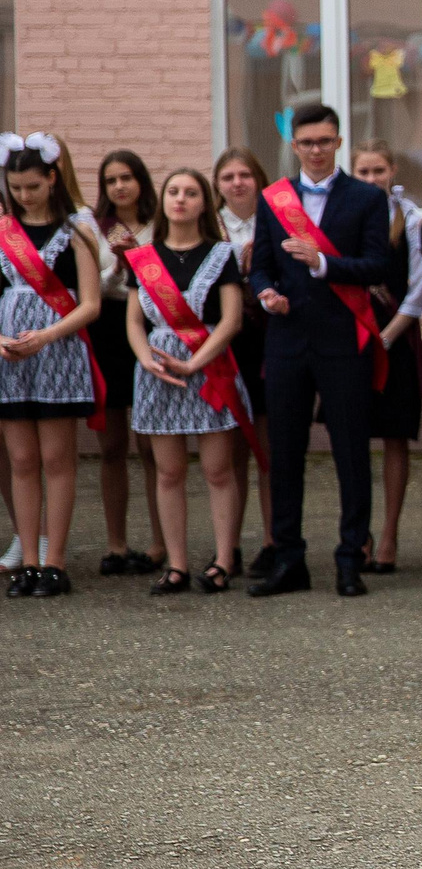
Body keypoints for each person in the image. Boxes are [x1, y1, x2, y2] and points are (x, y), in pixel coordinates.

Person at [248, 103, 393, 600]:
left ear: (338, 142)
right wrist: (266, 294)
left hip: (340, 339)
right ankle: (288, 558)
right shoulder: (274, 200)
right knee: (284, 453)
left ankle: (351, 558)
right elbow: (261, 267)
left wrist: (324, 264)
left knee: (351, 452)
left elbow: (377, 266)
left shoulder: (367, 199)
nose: (315, 149)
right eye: (307, 142)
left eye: (325, 141)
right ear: (294, 146)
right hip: (288, 339)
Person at [126, 167, 251, 595]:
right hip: (159, 373)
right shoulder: (143, 258)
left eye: (192, 192)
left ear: (204, 203)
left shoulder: (222, 254)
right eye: (173, 191)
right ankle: (177, 565)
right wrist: (148, 361)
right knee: (168, 472)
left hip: (209, 369)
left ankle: (222, 560)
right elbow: (133, 322)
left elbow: (231, 320)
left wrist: (194, 363)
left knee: (218, 470)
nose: (181, 199)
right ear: (162, 201)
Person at [0, 133, 101, 599]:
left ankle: (54, 561)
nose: (23, 195)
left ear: (52, 179)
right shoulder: (2, 230)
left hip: (58, 352)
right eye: (16, 187)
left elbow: (91, 304)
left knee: (57, 459)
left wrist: (46, 335)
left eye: (32, 187)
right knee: (21, 459)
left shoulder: (76, 229)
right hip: (9, 357)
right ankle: (30, 561)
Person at [350, 141, 422, 575]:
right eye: (362, 172)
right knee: (354, 438)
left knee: (395, 437)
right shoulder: (343, 216)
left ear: (392, 170)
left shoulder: (412, 221)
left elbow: (419, 286)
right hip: (352, 339)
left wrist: (388, 335)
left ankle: (389, 536)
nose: (370, 180)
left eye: (378, 171)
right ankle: (357, 533)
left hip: (395, 338)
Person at [92, 149, 172, 580]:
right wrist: (118, 265)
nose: (119, 186)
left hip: (145, 329)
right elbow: (91, 285)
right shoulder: (95, 228)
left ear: (141, 180)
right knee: (111, 447)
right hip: (105, 330)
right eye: (110, 180)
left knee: (150, 446)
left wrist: (139, 258)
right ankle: (116, 543)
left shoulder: (160, 225)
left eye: (126, 177)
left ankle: (160, 543)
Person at [214, 148, 278, 574]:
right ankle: (229, 546)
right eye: (227, 176)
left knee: (269, 448)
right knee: (231, 450)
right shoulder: (209, 226)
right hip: (223, 344)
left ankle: (274, 541)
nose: (237, 183)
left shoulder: (276, 221)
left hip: (269, 341)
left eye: (245, 174)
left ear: (259, 179)